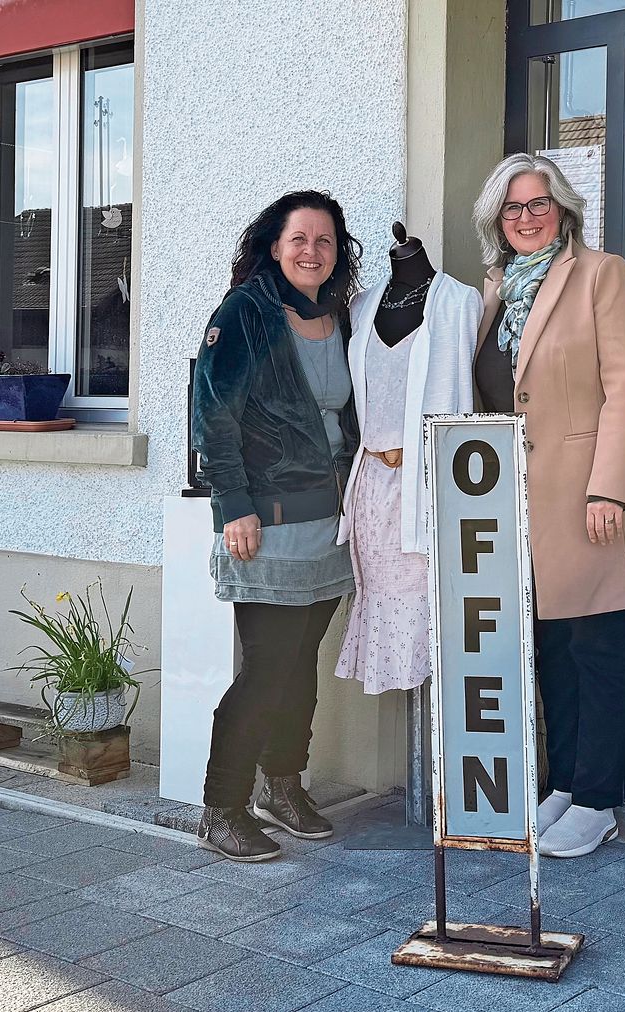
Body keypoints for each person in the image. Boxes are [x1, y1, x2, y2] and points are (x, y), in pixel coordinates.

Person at [471, 153, 625, 858]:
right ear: (497, 223)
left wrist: (609, 488)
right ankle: (563, 782)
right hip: (528, 503)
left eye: (539, 205)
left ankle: (599, 799)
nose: (527, 218)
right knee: (553, 649)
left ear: (563, 212)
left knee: (601, 648)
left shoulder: (602, 274)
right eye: (514, 209)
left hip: (594, 494)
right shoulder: (497, 290)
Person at [190, 190, 362, 861]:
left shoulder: (338, 316)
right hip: (265, 524)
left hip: (328, 525)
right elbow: (215, 415)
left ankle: (281, 785)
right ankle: (221, 808)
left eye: (324, 241)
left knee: (300, 667)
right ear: (273, 245)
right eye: (299, 239)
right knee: (265, 671)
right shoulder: (245, 313)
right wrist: (232, 504)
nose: (311, 252)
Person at [331, 225, 478, 694]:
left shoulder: (461, 302)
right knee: (388, 604)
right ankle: (416, 752)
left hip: (432, 485)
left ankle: (435, 751)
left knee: (432, 611)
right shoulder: (361, 306)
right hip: (374, 487)